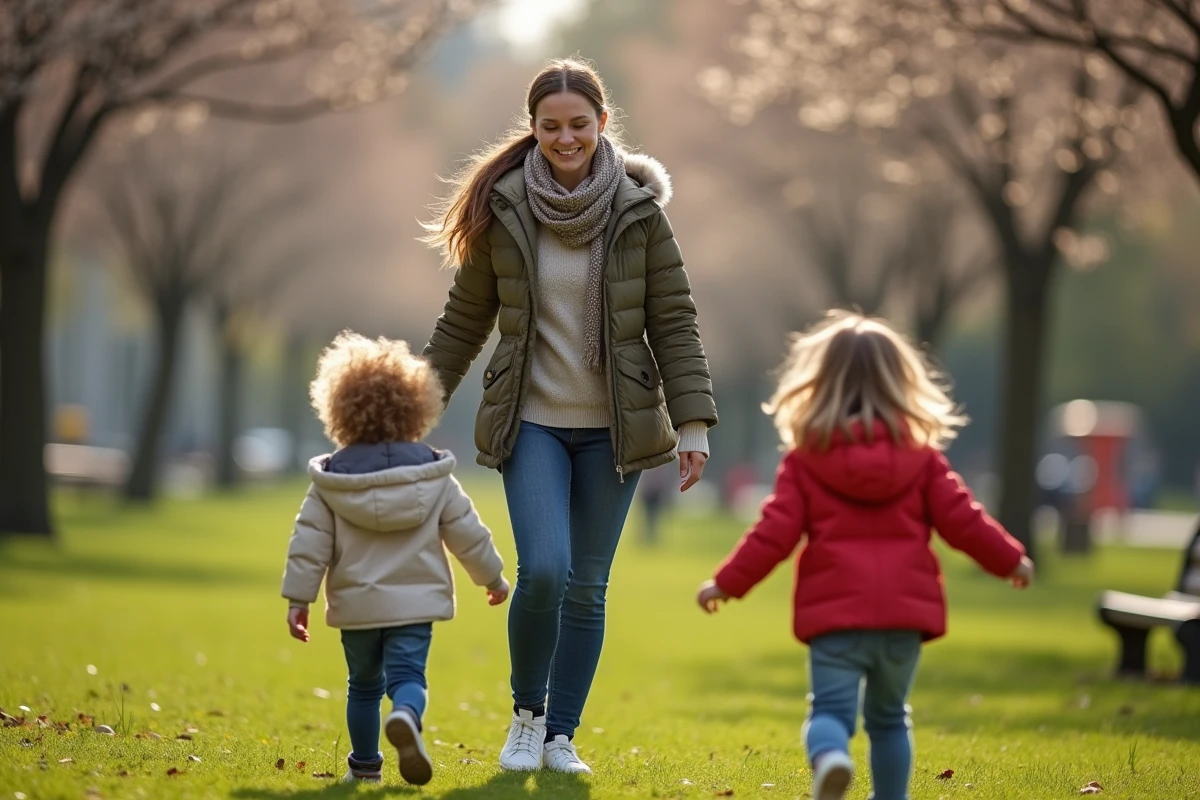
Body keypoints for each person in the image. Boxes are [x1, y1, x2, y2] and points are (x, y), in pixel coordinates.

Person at [421, 57, 718, 774]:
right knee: (545, 570)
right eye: (550, 126)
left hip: (617, 429)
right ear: (533, 128)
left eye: (578, 125)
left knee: (587, 585)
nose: (565, 138)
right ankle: (525, 717)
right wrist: (416, 401)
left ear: (602, 124)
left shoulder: (641, 213)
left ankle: (560, 736)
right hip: (533, 423)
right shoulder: (508, 210)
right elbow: (465, 319)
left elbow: (673, 320)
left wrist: (693, 421)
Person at [696, 311, 1033, 800]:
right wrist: (1011, 560)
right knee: (891, 718)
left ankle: (832, 759)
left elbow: (774, 534)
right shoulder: (923, 460)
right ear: (901, 382)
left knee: (830, 714)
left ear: (819, 383)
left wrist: (726, 582)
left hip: (835, 616)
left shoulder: (806, 460)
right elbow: (965, 520)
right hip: (903, 617)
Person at [281, 332, 510, 786]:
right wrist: (493, 578)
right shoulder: (433, 474)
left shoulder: (331, 482)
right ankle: (406, 713)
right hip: (414, 603)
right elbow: (467, 532)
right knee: (408, 676)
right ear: (416, 406)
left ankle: (365, 768)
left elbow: (308, 544)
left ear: (340, 409)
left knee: (362, 686)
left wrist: (297, 599)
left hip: (358, 605)